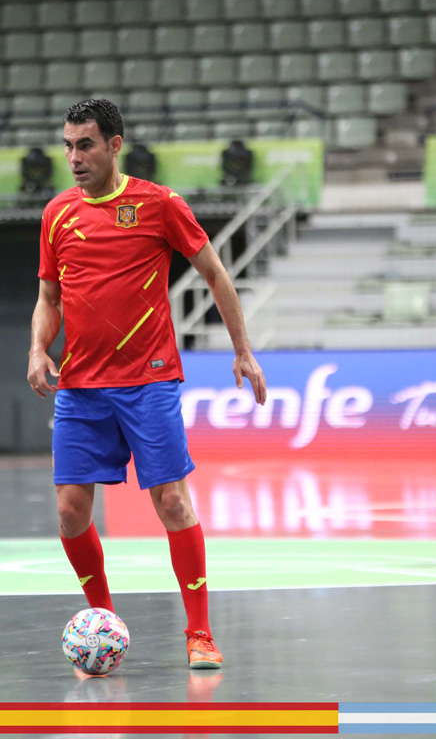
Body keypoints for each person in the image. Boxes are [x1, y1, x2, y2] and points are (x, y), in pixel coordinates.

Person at [26, 99, 268, 670]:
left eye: (85, 145)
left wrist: (242, 350)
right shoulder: (57, 213)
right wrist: (37, 347)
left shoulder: (160, 204)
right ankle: (105, 625)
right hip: (81, 385)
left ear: (115, 145)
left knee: (173, 501)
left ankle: (200, 634)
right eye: (68, 145)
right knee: (70, 513)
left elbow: (215, 273)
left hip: (148, 381)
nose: (74, 157)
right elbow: (48, 297)